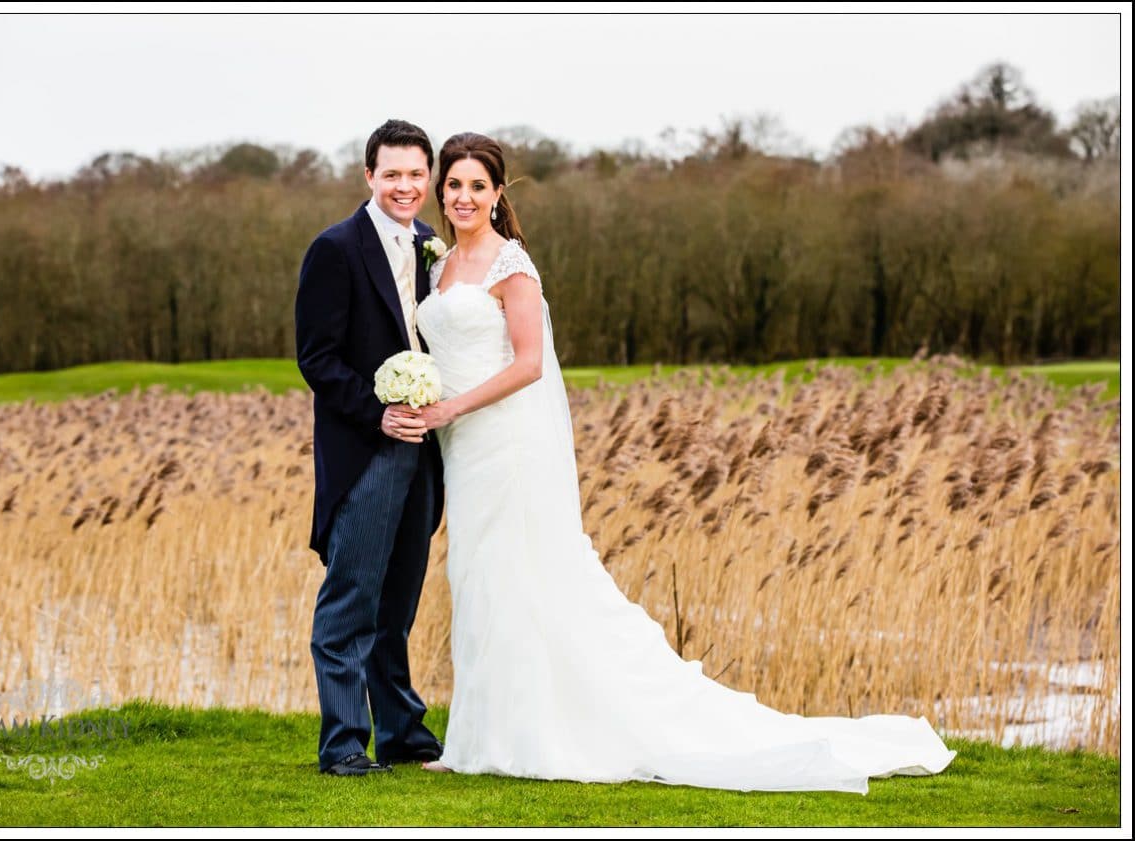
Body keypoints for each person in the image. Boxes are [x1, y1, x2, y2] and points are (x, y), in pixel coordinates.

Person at [410, 132, 957, 793]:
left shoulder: (511, 265)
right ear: (442, 190)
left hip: (505, 444)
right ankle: (478, 737)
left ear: (498, 193)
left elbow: (529, 364)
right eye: (454, 184)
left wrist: (449, 407)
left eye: (477, 185)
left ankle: (527, 734)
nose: (462, 196)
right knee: (478, 578)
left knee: (523, 578)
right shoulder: (438, 267)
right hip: (463, 451)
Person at [294, 119, 445, 777]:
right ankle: (343, 742)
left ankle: (404, 732)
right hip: (366, 450)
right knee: (351, 598)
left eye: (417, 174)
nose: (405, 185)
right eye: (393, 174)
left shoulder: (438, 248)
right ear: (369, 176)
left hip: (428, 452)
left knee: (399, 600)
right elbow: (317, 359)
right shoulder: (335, 249)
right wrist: (378, 415)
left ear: (429, 177)